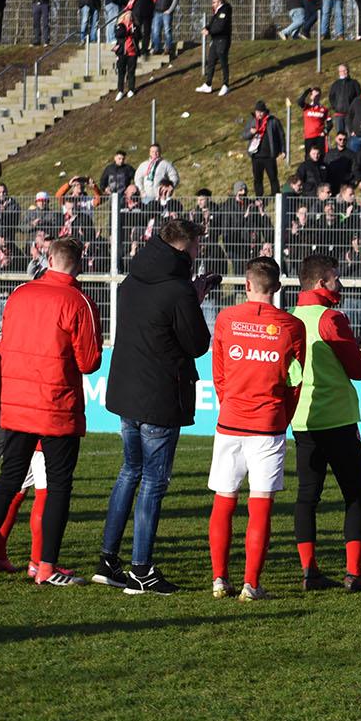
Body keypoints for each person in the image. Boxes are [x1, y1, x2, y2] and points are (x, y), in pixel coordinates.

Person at [0, 238, 102, 585]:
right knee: (58, 486)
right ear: (81, 262)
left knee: (8, 482)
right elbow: (89, 362)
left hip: (17, 401)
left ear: (48, 259)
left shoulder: (20, 294)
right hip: (56, 405)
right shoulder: (79, 301)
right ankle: (46, 566)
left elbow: (6, 342)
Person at [95, 218, 213, 594]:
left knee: (130, 471)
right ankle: (141, 568)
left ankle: (108, 559)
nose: (198, 253)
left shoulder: (133, 280)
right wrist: (194, 298)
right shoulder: (177, 289)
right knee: (153, 481)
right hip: (160, 393)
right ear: (184, 247)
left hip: (127, 390)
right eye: (196, 246)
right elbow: (196, 344)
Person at [206, 258, 306, 601]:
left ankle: (219, 579)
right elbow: (297, 380)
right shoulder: (291, 326)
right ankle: (251, 583)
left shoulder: (226, 319)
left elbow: (218, 373)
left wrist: (230, 401)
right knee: (260, 504)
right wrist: (284, 415)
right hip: (268, 424)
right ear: (277, 288)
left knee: (224, 500)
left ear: (247, 285)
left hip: (231, 420)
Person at [290, 253, 361, 592]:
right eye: (334, 278)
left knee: (307, 496)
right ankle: (354, 572)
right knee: (355, 495)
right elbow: (358, 369)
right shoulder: (332, 319)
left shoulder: (289, 318)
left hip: (303, 420)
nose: (339, 284)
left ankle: (309, 571)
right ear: (320, 283)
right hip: (338, 418)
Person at [247, 103, 285, 197]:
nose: (259, 114)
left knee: (273, 177)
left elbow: (281, 136)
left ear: (265, 112)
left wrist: (283, 150)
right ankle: (259, 197)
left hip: (269, 156)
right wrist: (250, 133)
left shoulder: (273, 121)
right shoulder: (252, 121)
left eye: (261, 112)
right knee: (258, 179)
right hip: (256, 156)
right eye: (257, 112)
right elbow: (243, 135)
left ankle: (276, 196)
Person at [198, 0, 232, 95]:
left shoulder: (225, 11)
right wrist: (206, 28)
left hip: (223, 40)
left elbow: (221, 27)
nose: (212, 4)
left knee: (223, 62)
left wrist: (209, 32)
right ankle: (208, 84)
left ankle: (226, 84)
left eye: (214, 2)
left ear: (220, 2)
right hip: (215, 40)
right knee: (211, 61)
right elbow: (212, 23)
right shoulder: (216, 12)